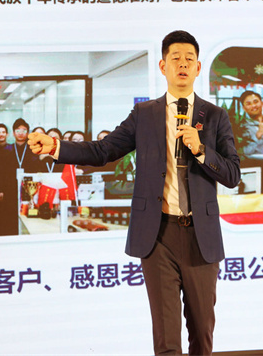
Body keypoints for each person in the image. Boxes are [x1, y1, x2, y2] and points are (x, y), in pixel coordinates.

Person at [28, 30, 240, 355]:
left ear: (198, 67)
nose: (183, 64)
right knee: (166, 341)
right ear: (163, 66)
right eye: (175, 58)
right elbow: (103, 150)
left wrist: (201, 151)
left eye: (189, 59)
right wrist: (56, 147)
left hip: (201, 236)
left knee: (201, 335)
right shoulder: (145, 115)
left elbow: (232, 175)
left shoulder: (214, 116)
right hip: (158, 235)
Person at [0, 118, 43, 236]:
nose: (21, 133)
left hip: (28, 189)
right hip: (9, 189)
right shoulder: (5, 150)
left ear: (28, 133)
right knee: (7, 219)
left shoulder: (33, 150)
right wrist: (0, 189)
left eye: (24, 130)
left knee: (27, 217)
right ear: (14, 133)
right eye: (18, 130)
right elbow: (0, 172)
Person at [238, 91, 263, 155]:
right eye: (248, 104)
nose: (253, 105)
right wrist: (257, 136)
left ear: (262, 103)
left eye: (256, 102)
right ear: (244, 108)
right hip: (253, 161)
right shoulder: (241, 127)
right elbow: (244, 152)